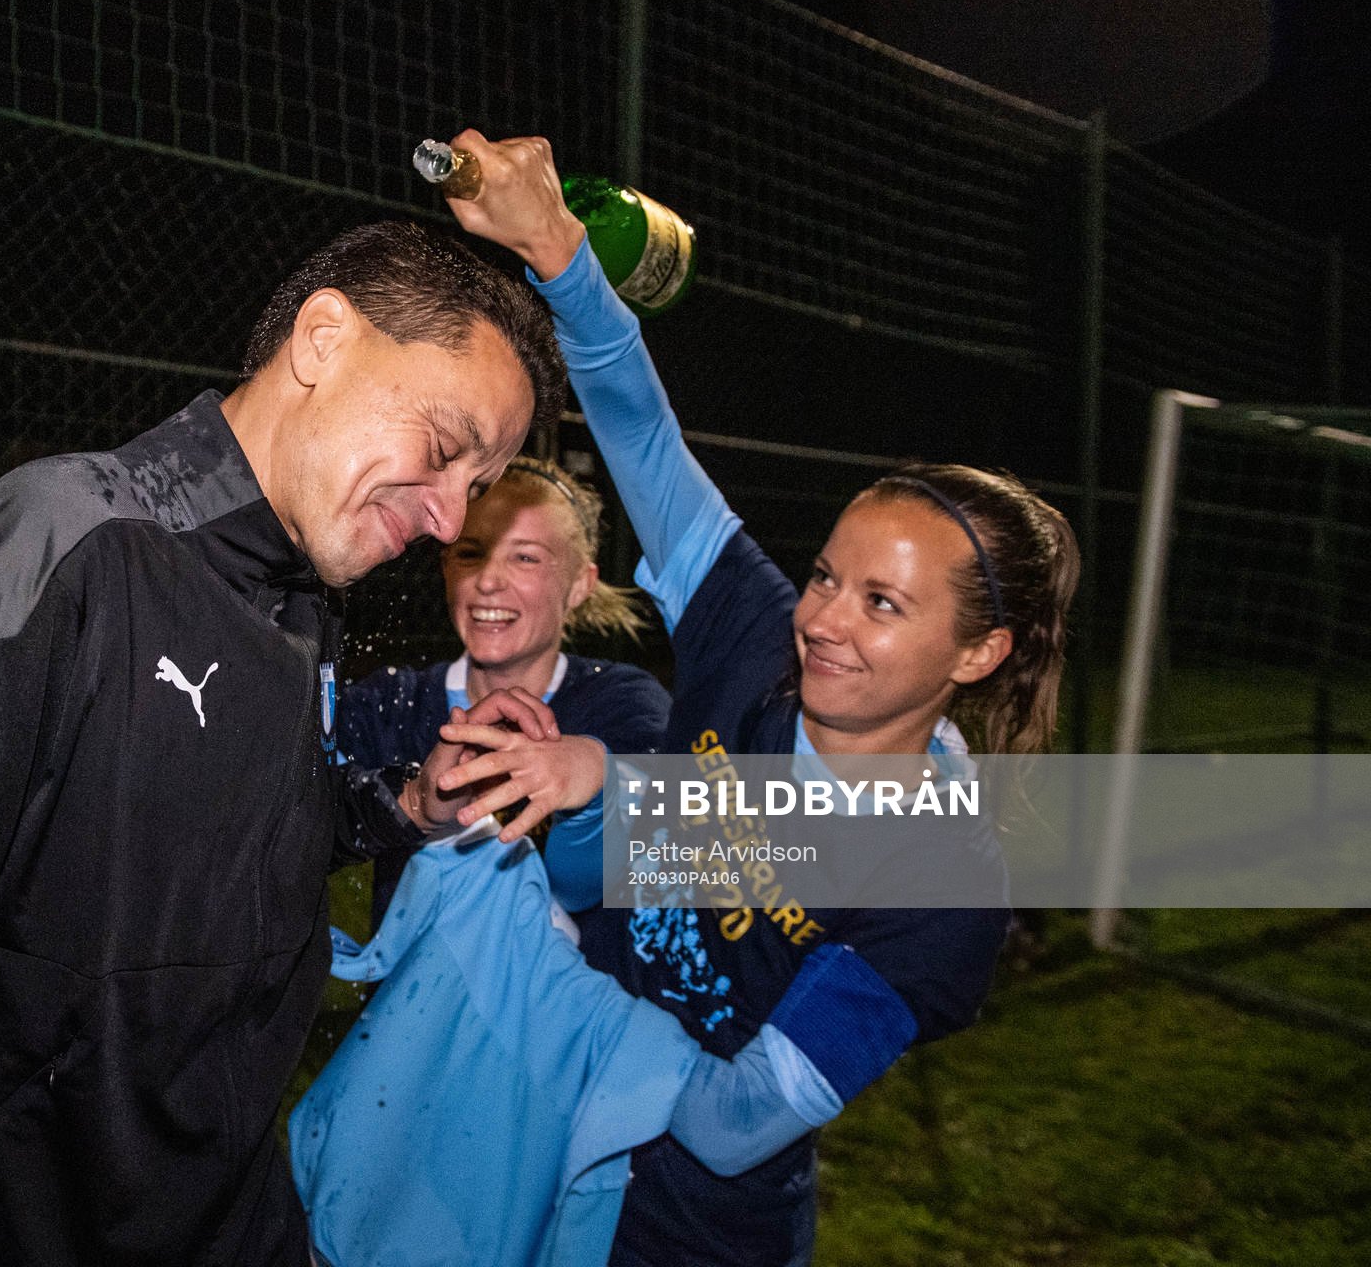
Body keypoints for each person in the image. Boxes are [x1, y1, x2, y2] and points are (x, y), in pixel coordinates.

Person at [0, 220, 580, 1267]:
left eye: (476, 487)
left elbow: (215, 841)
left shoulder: (297, 606)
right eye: (444, 449)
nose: (446, 519)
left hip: (224, 1218)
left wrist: (406, 805)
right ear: (324, 337)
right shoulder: (62, 544)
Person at [433, 131, 1080, 1266]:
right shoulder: (753, 638)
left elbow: (734, 1124)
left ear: (977, 655)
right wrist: (560, 254)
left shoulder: (943, 889)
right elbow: (639, 426)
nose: (824, 618)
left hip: (687, 1230)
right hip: (528, 1146)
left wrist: (564, 957)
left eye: (883, 603)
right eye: (828, 574)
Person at [337, 454, 670, 926]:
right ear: (445, 567)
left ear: (580, 584)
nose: (489, 581)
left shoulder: (623, 702)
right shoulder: (390, 705)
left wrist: (597, 780)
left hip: (574, 998)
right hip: (418, 1000)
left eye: (526, 557)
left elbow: (689, 847)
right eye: (470, 552)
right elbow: (286, 807)